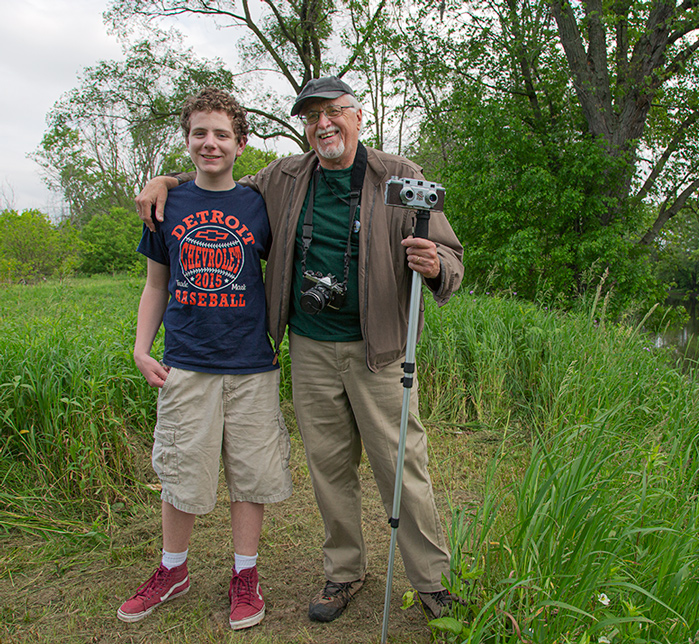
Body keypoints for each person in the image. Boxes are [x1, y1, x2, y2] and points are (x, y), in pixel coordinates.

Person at [136, 76, 464, 623]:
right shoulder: (285, 177)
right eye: (312, 117)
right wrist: (163, 180)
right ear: (305, 127)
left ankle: (433, 583)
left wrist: (437, 267)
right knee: (329, 469)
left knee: (401, 465)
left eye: (335, 112)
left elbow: (451, 255)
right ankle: (344, 572)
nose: (324, 124)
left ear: (358, 117)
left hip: (378, 350)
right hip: (309, 347)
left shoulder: (400, 176)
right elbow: (216, 174)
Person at [120, 88, 292, 630]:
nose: (210, 143)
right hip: (186, 363)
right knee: (182, 473)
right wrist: (141, 348)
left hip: (250, 364)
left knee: (251, 475)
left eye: (221, 134)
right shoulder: (166, 205)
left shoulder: (257, 204)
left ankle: (246, 574)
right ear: (187, 140)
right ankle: (173, 569)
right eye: (200, 133)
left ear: (241, 144)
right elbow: (155, 285)